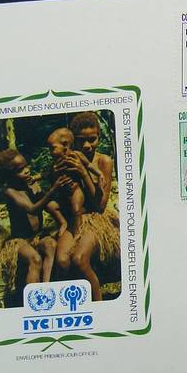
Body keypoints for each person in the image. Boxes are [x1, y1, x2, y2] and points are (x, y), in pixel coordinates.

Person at [52, 112, 119, 302]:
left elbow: (100, 205)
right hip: (75, 218)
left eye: (92, 139)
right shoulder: (68, 158)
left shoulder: (103, 161)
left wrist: (83, 172)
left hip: (96, 218)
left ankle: (98, 304)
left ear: (99, 136)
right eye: (82, 140)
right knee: (62, 261)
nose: (88, 145)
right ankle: (76, 303)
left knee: (79, 259)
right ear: (73, 140)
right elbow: (60, 198)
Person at [0, 148, 70, 289]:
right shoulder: (10, 192)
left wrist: (62, 220)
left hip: (37, 236)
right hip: (19, 240)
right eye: (20, 170)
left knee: (51, 245)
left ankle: (46, 288)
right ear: (9, 176)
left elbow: (48, 205)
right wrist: (53, 189)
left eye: (26, 166)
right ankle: (33, 294)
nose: (27, 171)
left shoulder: (32, 185)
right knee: (35, 259)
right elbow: (32, 209)